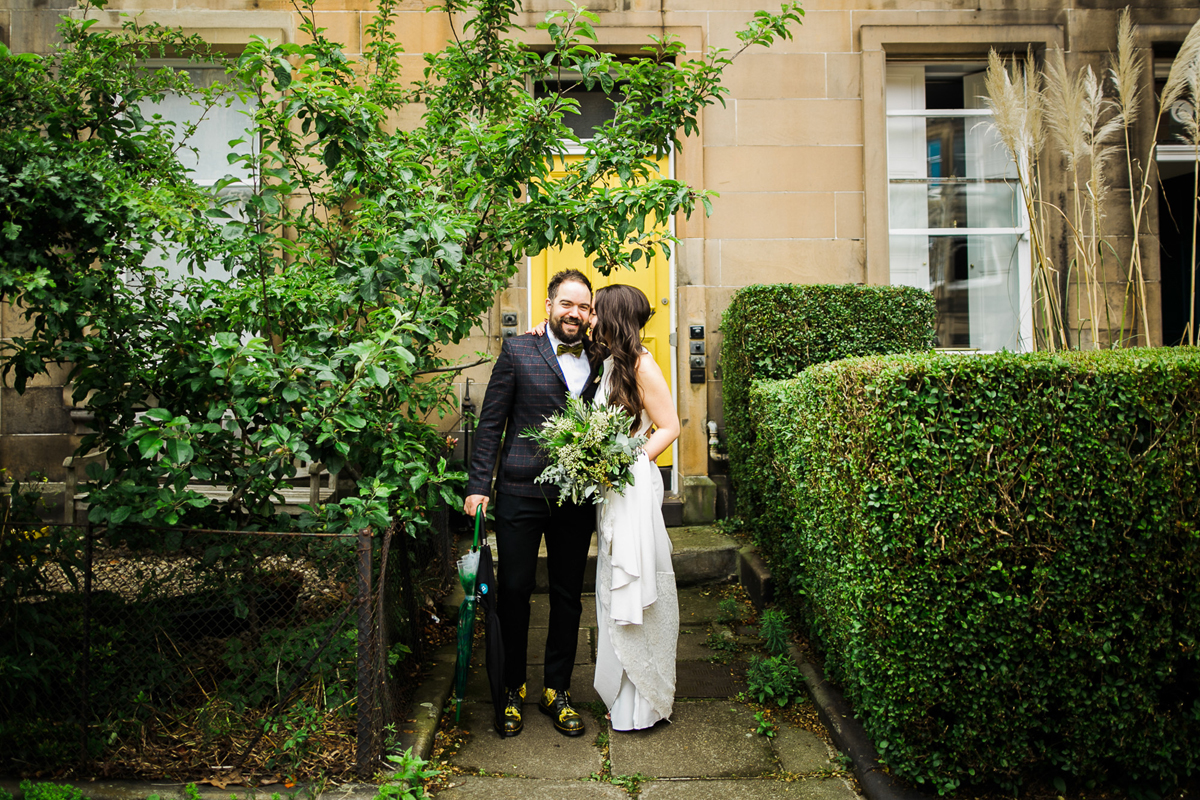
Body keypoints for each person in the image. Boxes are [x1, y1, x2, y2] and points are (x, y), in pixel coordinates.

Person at [463, 269, 599, 739]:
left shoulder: (602, 356)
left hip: (575, 497)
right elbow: (490, 423)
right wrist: (478, 484)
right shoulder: (519, 350)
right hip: (520, 491)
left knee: (567, 594)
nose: (574, 314)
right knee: (515, 592)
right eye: (567, 304)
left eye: (583, 307)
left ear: (591, 313)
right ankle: (511, 689)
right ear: (549, 305)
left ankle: (556, 690)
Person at [589, 284, 680, 731]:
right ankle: (622, 692)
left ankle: (644, 698)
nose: (588, 319)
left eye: (595, 312)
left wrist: (627, 462)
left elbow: (670, 427)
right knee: (612, 580)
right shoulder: (610, 362)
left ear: (614, 317)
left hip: (632, 486)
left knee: (635, 577)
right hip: (612, 491)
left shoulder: (643, 364)